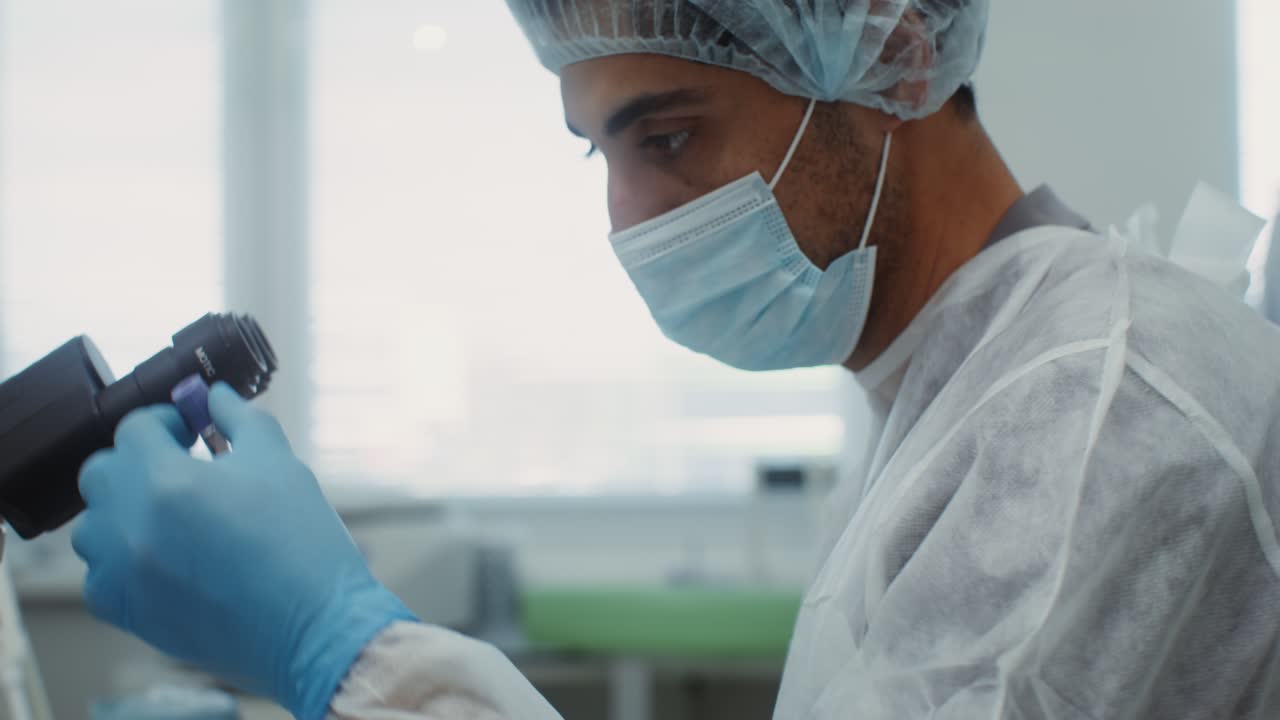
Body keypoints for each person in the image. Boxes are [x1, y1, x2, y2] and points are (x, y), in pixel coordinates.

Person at [71, 1, 1280, 718]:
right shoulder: (951, 391)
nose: (628, 216)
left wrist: (346, 659)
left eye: (667, 133)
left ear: (895, 56)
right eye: (595, 150)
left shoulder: (1098, 413)